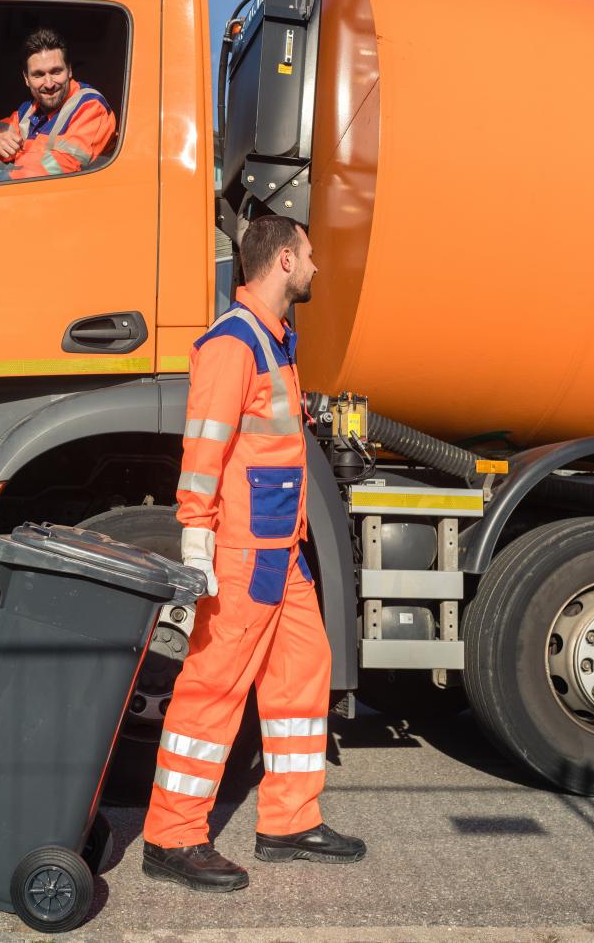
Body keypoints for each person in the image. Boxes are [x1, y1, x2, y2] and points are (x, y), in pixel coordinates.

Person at [142, 214, 366, 893]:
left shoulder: (273, 343)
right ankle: (172, 834)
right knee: (213, 687)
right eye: (310, 255)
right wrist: (196, 536)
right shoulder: (233, 344)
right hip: (241, 554)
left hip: (281, 552)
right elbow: (202, 448)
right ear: (284, 262)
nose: (318, 267)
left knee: (304, 672)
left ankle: (289, 821)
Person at [0, 28, 117, 180]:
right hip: (27, 188)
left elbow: (61, 167)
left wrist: (14, 158)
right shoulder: (28, 110)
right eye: (39, 75)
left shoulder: (90, 106)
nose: (49, 84)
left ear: (69, 70)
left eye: (56, 72)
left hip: (58, 196)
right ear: (26, 79)